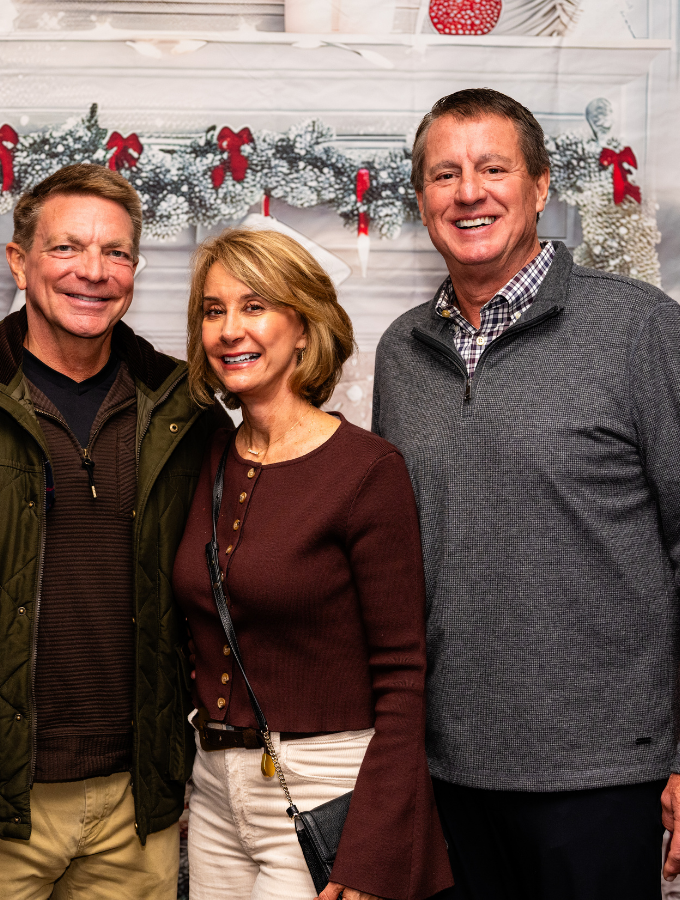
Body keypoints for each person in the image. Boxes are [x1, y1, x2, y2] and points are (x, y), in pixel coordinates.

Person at [372, 87, 680, 899]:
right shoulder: (403, 352)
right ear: (423, 199)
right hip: (445, 780)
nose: (469, 192)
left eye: (493, 168)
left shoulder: (641, 330)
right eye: (444, 175)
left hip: (603, 781)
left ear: (540, 187)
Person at [0, 163, 229, 899]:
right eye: (67, 248)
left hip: (134, 803)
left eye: (115, 253)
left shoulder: (184, 405)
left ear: (135, 269)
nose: (93, 272)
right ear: (20, 260)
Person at [171, 227, 453, 900]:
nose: (230, 330)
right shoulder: (208, 454)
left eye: (255, 305)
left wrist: (374, 850)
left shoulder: (365, 470)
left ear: (303, 325)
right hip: (213, 794)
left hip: (326, 787)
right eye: (214, 311)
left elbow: (404, 677)